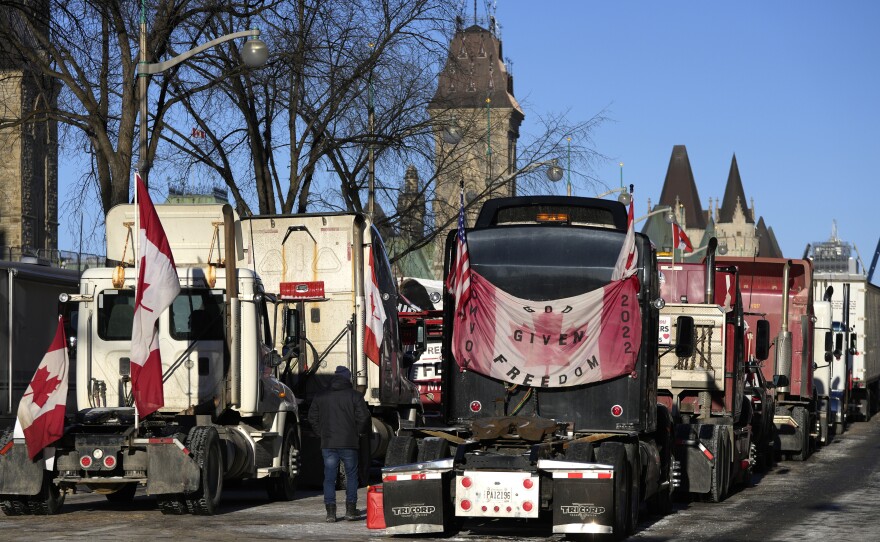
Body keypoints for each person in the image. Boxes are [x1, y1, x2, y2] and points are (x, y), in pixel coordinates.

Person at [308, 365, 370, 523]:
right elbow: (364, 418)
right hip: (349, 443)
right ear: (348, 378)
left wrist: (320, 433)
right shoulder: (355, 396)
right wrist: (359, 433)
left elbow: (312, 417)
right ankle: (350, 510)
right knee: (351, 476)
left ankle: (330, 513)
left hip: (328, 443)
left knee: (329, 478)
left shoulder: (321, 396)